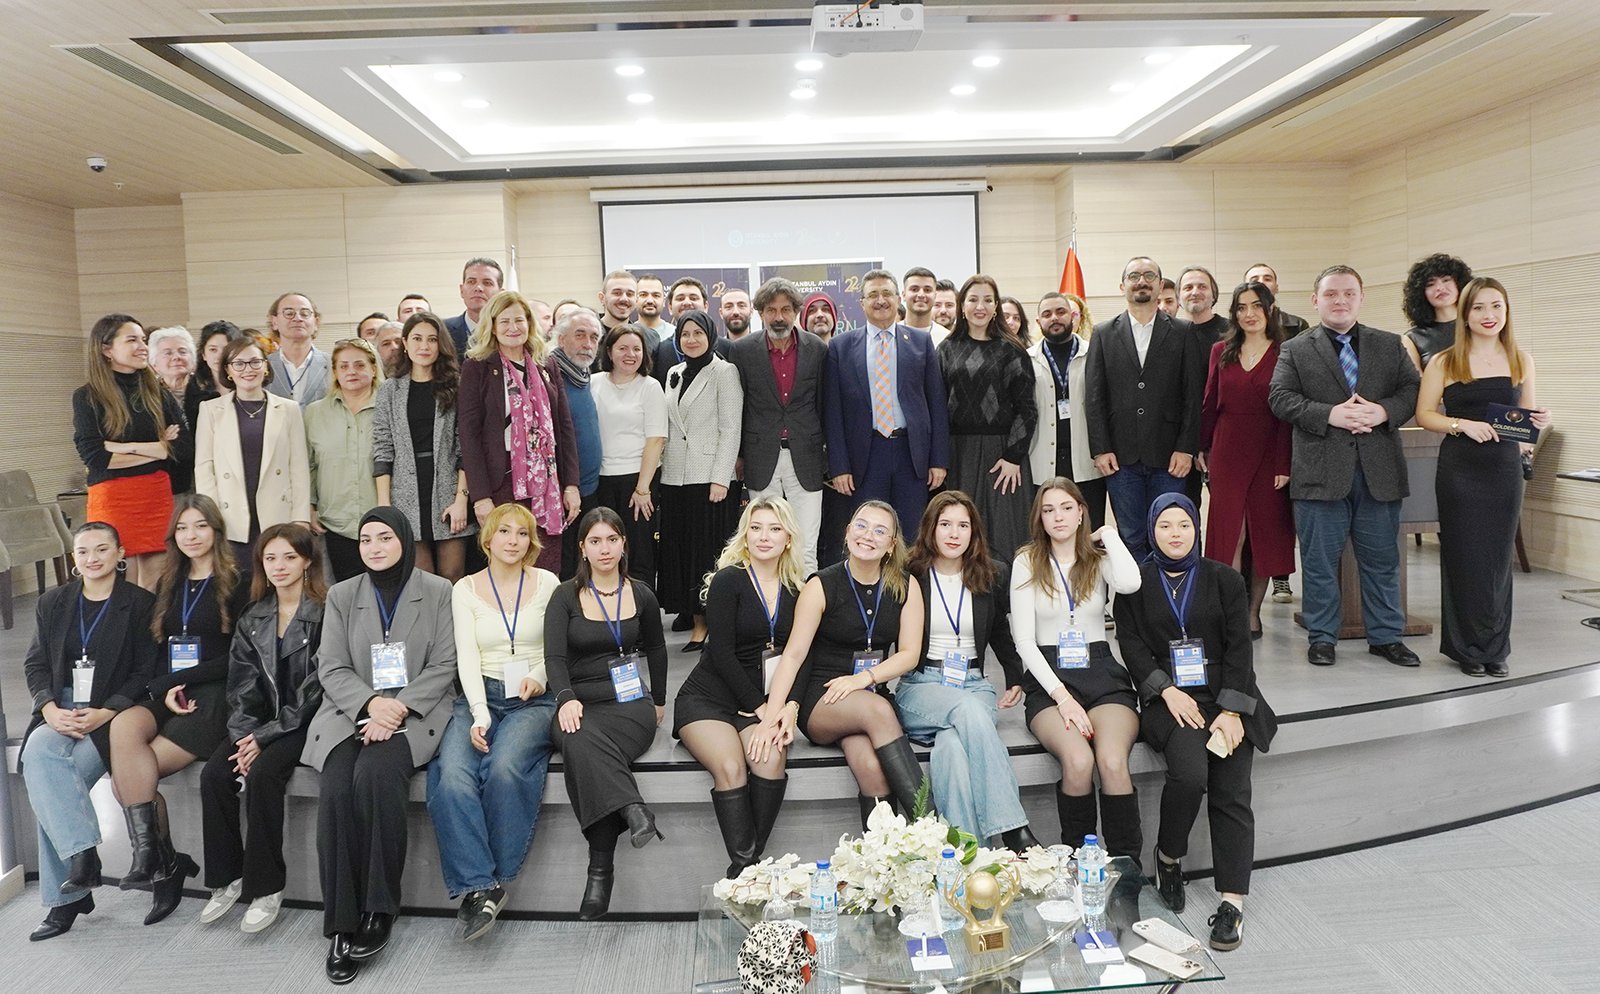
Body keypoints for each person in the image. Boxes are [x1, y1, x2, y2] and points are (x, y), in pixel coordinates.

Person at [1114, 494, 1276, 952]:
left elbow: (1240, 647)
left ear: (1196, 528)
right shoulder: (1134, 583)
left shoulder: (1225, 578)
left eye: (1183, 524)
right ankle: (1168, 857)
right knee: (1190, 775)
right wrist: (1165, 689)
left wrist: (1233, 709)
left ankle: (1232, 904)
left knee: (1232, 788)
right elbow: (1131, 646)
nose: (1175, 533)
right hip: (1171, 699)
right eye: (1165, 525)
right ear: (1152, 530)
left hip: (1226, 694)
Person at [305, 508, 458, 983]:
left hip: (414, 712)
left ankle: (378, 909)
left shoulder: (438, 591)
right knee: (336, 789)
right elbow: (330, 665)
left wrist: (397, 708)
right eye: (366, 539)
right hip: (350, 710)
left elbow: (444, 664)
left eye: (385, 537)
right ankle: (340, 922)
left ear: (405, 540)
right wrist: (371, 704)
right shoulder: (342, 594)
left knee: (376, 775)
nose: (374, 547)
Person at [1268, 265, 1422, 668]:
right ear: (1315, 300)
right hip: (1319, 474)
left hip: (1378, 472)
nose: (1340, 301)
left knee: (1382, 562)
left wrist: (1383, 411)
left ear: (1361, 298)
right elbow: (1280, 397)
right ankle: (1322, 637)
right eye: (1331, 294)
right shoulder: (1295, 349)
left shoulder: (1389, 344)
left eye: (1349, 293)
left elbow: (1412, 390)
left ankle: (1387, 637)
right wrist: (1329, 415)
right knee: (1319, 564)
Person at [20, 521, 161, 941]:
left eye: (102, 549)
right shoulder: (53, 602)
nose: (92, 558)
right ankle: (83, 856)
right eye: (83, 551)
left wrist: (106, 711)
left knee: (50, 786)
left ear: (120, 554)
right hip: (61, 708)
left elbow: (146, 671)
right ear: (73, 558)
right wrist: (48, 708)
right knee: (38, 756)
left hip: (111, 713)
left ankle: (66, 898)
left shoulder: (140, 603)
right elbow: (35, 664)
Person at [426, 503, 559, 939]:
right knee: (451, 776)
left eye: (521, 533)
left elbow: (557, 647)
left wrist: (540, 677)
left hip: (533, 698)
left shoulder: (548, 582)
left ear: (531, 541)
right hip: (479, 695)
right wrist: (479, 714)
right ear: (487, 538)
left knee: (503, 768)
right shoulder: (464, 589)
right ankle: (483, 886)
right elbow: (467, 656)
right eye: (504, 531)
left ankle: (487, 882)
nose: (513, 541)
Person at [107, 495, 241, 926]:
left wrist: (175, 682)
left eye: (200, 526)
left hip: (213, 694)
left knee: (128, 783)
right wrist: (164, 687)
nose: (191, 536)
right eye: (182, 528)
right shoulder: (168, 581)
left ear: (216, 531)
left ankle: (161, 865)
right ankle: (159, 859)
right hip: (170, 689)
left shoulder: (237, 581)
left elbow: (238, 657)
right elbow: (159, 647)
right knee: (125, 726)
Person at [755, 500, 928, 829]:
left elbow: (909, 654)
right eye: (861, 526)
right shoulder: (821, 585)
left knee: (873, 770)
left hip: (869, 692)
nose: (868, 535)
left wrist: (863, 678)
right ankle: (930, 828)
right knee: (878, 711)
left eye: (880, 531)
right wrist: (772, 714)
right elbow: (793, 655)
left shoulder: (906, 585)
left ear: (892, 545)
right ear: (848, 532)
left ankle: (888, 855)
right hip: (823, 698)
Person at [1415, 277, 1550, 677]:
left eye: (1496, 306)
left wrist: (1539, 422)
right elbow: (1425, 415)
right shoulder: (1445, 361)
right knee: (1463, 556)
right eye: (1479, 307)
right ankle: (1465, 648)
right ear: (1465, 313)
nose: (1488, 315)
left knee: (1498, 560)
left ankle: (1494, 647)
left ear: (1506, 312)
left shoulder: (1521, 359)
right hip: (1460, 469)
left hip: (1504, 470)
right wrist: (1461, 425)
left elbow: (1526, 424)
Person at [197, 522, 326, 933]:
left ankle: (266, 887)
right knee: (214, 775)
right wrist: (244, 737)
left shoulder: (325, 613)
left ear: (307, 562)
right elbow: (240, 688)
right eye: (270, 558)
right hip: (258, 725)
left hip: (305, 723)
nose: (279, 566)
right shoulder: (253, 616)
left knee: (265, 775)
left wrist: (264, 737)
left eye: (289, 557)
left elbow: (316, 690)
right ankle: (226, 879)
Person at [546, 507, 670, 920]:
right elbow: (554, 658)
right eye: (595, 541)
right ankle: (632, 811)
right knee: (579, 739)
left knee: (586, 752)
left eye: (612, 540)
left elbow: (657, 648)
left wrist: (659, 700)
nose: (604, 549)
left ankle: (599, 875)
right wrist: (565, 697)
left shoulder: (642, 594)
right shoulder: (564, 596)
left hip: (630, 703)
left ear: (623, 545)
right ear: (582, 547)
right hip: (578, 701)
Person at [1009, 479, 1143, 853]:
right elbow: (1024, 642)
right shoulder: (1026, 561)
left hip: (1101, 673)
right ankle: (1079, 861)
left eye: (1067, 507)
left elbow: (1131, 583)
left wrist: (1109, 535)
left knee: (1112, 761)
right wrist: (1062, 697)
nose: (1058, 517)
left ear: (1081, 512)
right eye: (1049, 510)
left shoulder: (1098, 558)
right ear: (1039, 517)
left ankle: (1126, 866)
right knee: (1079, 759)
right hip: (1050, 679)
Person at [898, 491, 1037, 848]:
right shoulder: (910, 573)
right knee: (967, 711)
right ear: (930, 528)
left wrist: (1014, 675)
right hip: (922, 685)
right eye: (945, 524)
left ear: (974, 532)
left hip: (974, 683)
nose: (954, 533)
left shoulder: (990, 574)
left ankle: (970, 855)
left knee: (951, 749)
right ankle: (1013, 828)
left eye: (963, 525)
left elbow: (1000, 630)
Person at [677, 497, 804, 877]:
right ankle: (749, 873)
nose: (764, 536)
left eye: (774, 529)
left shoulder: (798, 588)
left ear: (788, 538)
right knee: (732, 767)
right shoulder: (728, 579)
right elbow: (720, 652)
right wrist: (762, 708)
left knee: (770, 759)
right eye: (756, 528)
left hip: (762, 702)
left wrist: (789, 706)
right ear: (745, 535)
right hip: (709, 699)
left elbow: (803, 655)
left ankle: (744, 869)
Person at [1085, 257, 1202, 563]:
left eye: (1149, 276)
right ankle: (1137, 594)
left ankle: (1171, 594)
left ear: (1160, 285)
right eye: (1134, 276)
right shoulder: (1103, 333)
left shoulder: (1183, 331)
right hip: (1120, 457)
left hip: (1170, 456)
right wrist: (1101, 448)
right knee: (1131, 535)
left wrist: (1186, 448)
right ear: (1122, 285)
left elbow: (1192, 396)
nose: (1142, 281)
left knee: (1169, 534)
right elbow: (1094, 397)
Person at [458, 289, 581, 574]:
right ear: (492, 326)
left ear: (529, 323)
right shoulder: (477, 366)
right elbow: (469, 435)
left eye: (519, 320)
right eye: (504, 321)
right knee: (509, 560)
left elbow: (564, 426)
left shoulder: (546, 363)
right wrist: (480, 496)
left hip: (547, 482)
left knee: (546, 565)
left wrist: (571, 485)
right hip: (502, 482)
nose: (513, 328)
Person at [1199, 283, 1295, 639]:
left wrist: (1285, 464)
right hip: (1227, 450)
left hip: (1271, 451)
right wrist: (1202, 447)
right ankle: (1232, 614)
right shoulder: (1221, 351)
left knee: (1264, 537)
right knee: (1230, 535)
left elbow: (1288, 414)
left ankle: (1253, 613)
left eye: (1256, 306)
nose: (1249, 314)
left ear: (1270, 309)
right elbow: (1210, 402)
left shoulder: (1286, 353)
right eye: (1241, 307)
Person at [823, 269, 950, 534]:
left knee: (911, 533)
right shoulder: (840, 347)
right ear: (862, 303)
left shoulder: (920, 342)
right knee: (868, 531)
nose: (880, 300)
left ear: (897, 299)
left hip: (911, 454)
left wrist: (938, 460)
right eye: (873, 295)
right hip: (864, 456)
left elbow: (936, 404)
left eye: (886, 294)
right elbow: (833, 413)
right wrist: (839, 467)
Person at [74, 314, 193, 589]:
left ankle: (153, 620)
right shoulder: (87, 396)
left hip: (155, 493)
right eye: (132, 340)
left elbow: (183, 448)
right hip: (112, 496)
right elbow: (96, 458)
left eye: (143, 340)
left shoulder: (158, 393)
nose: (142, 346)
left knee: (157, 579)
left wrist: (124, 447)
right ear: (107, 349)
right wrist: (159, 449)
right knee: (119, 579)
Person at [658, 309, 744, 649]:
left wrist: (721, 478)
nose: (691, 339)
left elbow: (730, 428)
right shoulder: (674, 372)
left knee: (706, 553)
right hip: (674, 476)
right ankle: (689, 612)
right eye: (685, 334)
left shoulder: (725, 371)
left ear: (711, 335)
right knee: (680, 550)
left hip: (710, 478)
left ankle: (706, 622)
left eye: (698, 333)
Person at [731, 277, 828, 575]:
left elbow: (824, 404)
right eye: (771, 310)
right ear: (760, 312)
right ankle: (768, 601)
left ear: (796, 311)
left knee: (806, 545)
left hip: (807, 457)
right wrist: (739, 455)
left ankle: (808, 602)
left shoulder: (817, 348)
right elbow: (738, 407)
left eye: (786, 309)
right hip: (761, 457)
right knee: (763, 544)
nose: (779, 317)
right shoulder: (742, 350)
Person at [938, 274, 1037, 560]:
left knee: (1005, 533)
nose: (980, 306)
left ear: (996, 307)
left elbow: (1027, 408)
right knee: (961, 529)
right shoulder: (946, 349)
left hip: (1002, 455)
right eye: (973, 299)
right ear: (962, 305)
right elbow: (937, 407)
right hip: (959, 453)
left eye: (987, 300)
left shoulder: (1012, 349)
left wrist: (1014, 456)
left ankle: (1008, 588)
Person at [194, 336, 311, 575]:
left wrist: (301, 519)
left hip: (277, 514)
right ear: (228, 371)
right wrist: (211, 520)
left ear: (266, 366)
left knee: (278, 580)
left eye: (255, 362)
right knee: (236, 583)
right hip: (229, 518)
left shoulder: (288, 409)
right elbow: (204, 468)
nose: (248, 369)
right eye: (239, 364)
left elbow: (299, 467)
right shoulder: (211, 410)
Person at [373, 313, 475, 584]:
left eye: (432, 339)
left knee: (453, 574)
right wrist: (385, 503)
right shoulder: (389, 390)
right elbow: (383, 447)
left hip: (448, 489)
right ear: (405, 343)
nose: (424, 346)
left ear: (441, 345)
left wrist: (461, 500)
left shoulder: (457, 385)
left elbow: (466, 446)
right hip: (405, 491)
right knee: (422, 578)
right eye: (417, 339)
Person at [592, 322, 667, 584]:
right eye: (623, 348)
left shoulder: (650, 386)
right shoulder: (593, 383)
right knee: (604, 548)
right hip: (600, 480)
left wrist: (643, 489)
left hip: (638, 481)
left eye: (637, 349)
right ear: (609, 351)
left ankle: (640, 605)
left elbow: (656, 439)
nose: (630, 354)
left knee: (638, 551)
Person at [305, 338, 384, 582]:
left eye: (360, 365)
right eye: (344, 366)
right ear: (335, 372)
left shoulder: (389, 407)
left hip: (383, 520)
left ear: (373, 369)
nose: (352, 371)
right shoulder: (315, 412)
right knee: (344, 593)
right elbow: (309, 465)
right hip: (334, 522)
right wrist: (310, 506)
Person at [1028, 292, 1108, 531]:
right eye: (1047, 314)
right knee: (1046, 531)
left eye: (1060, 312)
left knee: (1089, 531)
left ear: (1073, 317)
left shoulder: (1094, 352)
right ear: (1038, 322)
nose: (1054, 318)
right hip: (1042, 461)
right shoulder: (1027, 358)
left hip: (1087, 461)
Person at [551, 309, 604, 577]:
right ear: (561, 339)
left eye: (594, 337)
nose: (588, 343)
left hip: (588, 488)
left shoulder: (583, 374)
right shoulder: (550, 376)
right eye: (580, 335)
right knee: (565, 565)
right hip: (563, 490)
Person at [1401, 253, 1474, 372]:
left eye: (1446, 280)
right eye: (1430, 284)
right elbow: (1415, 381)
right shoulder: (1413, 338)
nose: (1440, 287)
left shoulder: (1477, 325)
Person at [149, 326, 201, 493]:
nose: (176, 357)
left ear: (193, 360)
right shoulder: (148, 401)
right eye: (168, 353)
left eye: (182, 351)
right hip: (167, 483)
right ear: (154, 363)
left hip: (206, 479)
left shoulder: (209, 397)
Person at [264, 292, 330, 406]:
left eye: (305, 314)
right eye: (289, 313)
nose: (298, 318)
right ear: (274, 322)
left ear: (316, 322)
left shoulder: (334, 364)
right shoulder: (262, 366)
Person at [444, 257, 505, 356]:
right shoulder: (443, 330)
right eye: (471, 282)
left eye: (487, 283)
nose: (478, 288)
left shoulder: (509, 332)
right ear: (462, 290)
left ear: (500, 294)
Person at [1243, 264, 1309, 338]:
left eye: (1267, 279)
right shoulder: (1235, 325)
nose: (1261, 282)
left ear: (1276, 288)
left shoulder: (1298, 325)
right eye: (1254, 280)